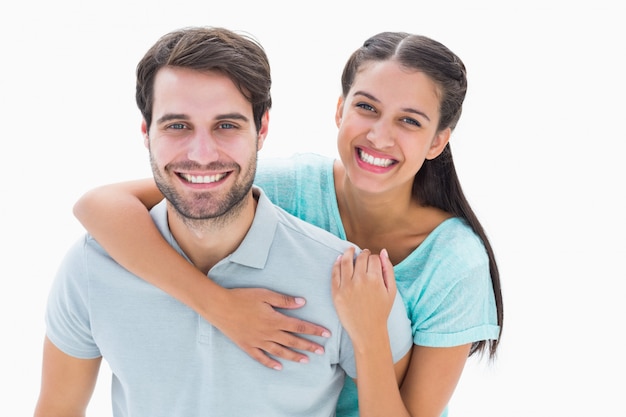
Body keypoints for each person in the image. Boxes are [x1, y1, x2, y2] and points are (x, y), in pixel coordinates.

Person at [72, 31, 504, 417]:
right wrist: (219, 307)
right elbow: (99, 204)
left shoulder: (455, 263)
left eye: (409, 120)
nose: (379, 136)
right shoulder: (287, 187)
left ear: (438, 141)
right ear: (339, 110)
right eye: (366, 107)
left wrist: (369, 332)